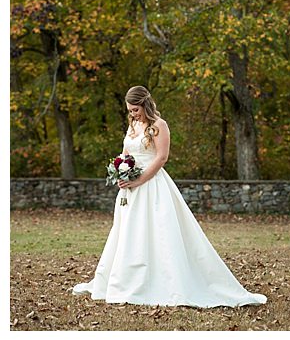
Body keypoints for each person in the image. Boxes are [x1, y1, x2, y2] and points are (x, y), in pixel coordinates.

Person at [73, 85, 267, 308]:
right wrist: (121, 170)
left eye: (135, 110)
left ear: (145, 105)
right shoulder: (133, 124)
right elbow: (126, 152)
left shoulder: (159, 126)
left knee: (158, 232)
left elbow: (161, 158)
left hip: (152, 186)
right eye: (130, 110)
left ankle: (162, 280)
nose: (132, 114)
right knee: (129, 233)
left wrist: (139, 180)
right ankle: (126, 279)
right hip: (130, 189)